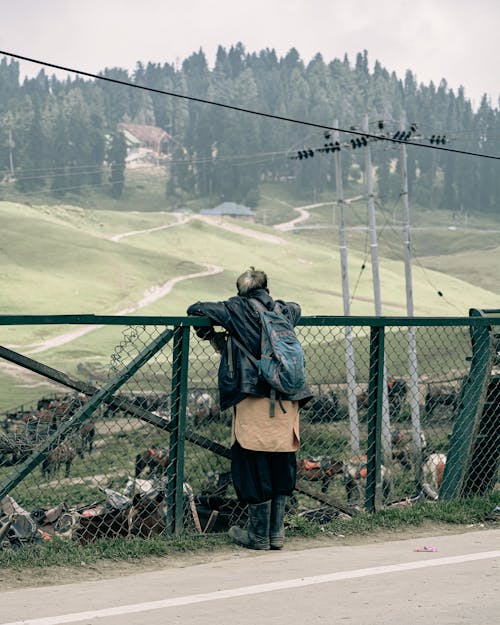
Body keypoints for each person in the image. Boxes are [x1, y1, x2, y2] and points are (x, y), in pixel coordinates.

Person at [187, 267, 312, 550]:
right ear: (266, 288)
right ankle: (276, 534)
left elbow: (195, 308)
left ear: (239, 289)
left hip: (252, 395)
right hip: (286, 396)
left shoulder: (235, 309)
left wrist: (210, 334)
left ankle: (258, 535)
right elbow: (298, 307)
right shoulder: (283, 311)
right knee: (281, 459)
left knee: (251, 461)